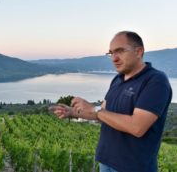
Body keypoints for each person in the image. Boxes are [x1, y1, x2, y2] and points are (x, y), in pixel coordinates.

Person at [51, 31, 172, 172]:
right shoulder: (117, 80)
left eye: (120, 51)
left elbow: (137, 127)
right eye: (111, 53)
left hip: (133, 167)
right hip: (106, 162)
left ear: (138, 52)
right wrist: (72, 112)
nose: (114, 58)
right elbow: (102, 114)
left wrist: (95, 109)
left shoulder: (155, 81)